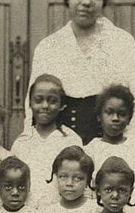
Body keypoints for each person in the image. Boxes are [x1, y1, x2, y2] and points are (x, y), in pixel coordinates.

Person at [28, 0, 135, 143]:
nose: (86, 1)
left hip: (110, 147)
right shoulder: (48, 47)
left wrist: (128, 148)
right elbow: (32, 107)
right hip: (59, 150)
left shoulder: (122, 42)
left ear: (103, 2)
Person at [11, 74, 83, 205]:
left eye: (52, 101)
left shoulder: (71, 140)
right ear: (30, 104)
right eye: (38, 100)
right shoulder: (22, 142)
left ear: (62, 105)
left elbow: (82, 180)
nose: (45, 105)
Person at [84, 84, 135, 176]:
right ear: (99, 116)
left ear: (129, 119)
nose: (115, 118)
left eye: (122, 114)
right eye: (109, 112)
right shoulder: (90, 151)